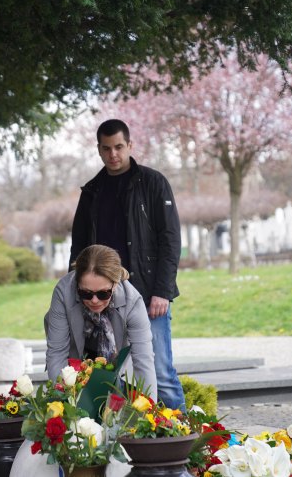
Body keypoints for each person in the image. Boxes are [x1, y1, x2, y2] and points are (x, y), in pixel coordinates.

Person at [69, 119, 185, 409]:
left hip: (148, 295)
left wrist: (163, 291)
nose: (113, 154)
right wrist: (79, 295)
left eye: (119, 147)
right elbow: (78, 250)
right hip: (102, 300)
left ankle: (185, 442)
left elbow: (170, 240)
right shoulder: (92, 191)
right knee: (107, 376)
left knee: (161, 372)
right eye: (106, 148)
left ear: (130, 145)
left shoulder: (153, 183)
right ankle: (119, 445)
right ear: (98, 149)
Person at [45, 244, 157, 397]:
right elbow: (57, 353)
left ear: (115, 284)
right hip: (72, 363)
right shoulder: (63, 293)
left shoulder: (133, 301)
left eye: (103, 294)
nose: (95, 300)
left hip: (113, 367)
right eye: (86, 293)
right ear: (77, 285)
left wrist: (148, 410)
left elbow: (144, 360)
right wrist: (64, 401)